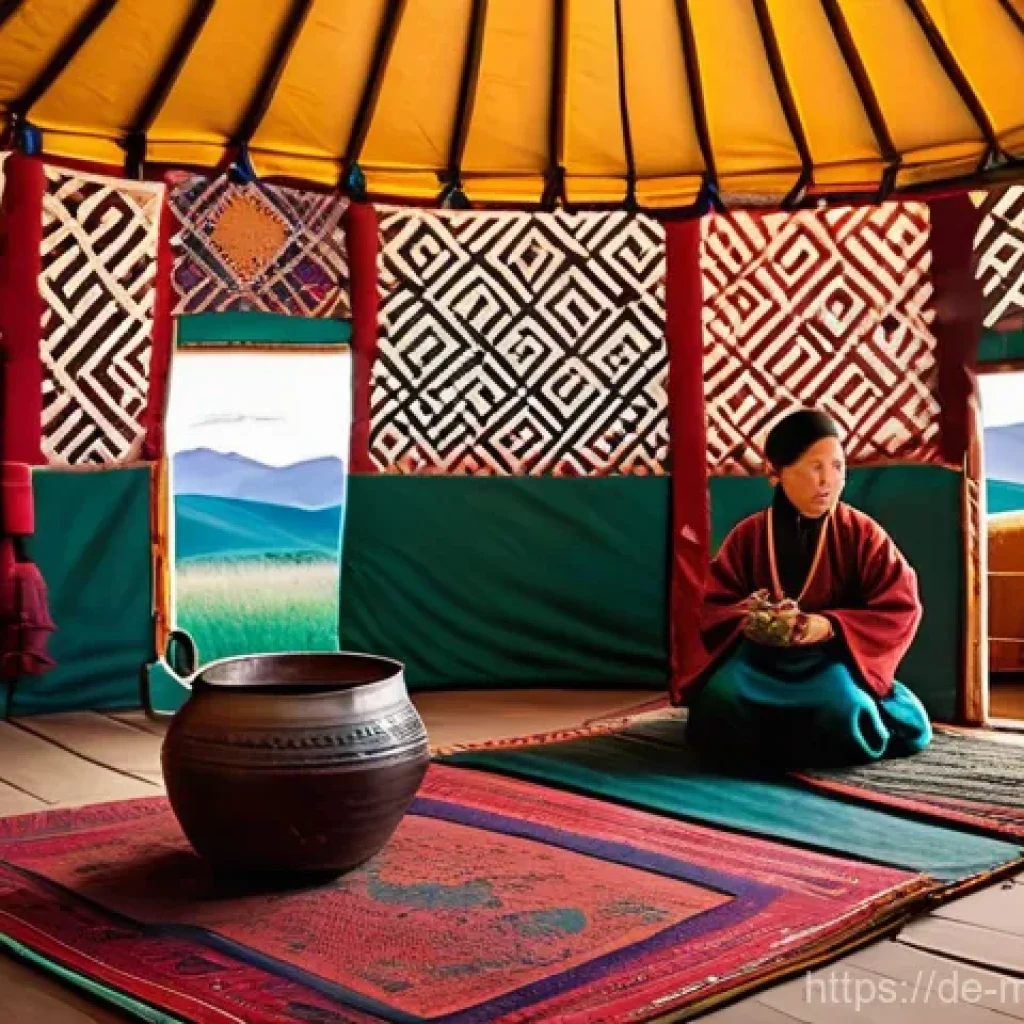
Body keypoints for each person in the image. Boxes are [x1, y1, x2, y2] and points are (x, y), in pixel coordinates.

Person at [683, 408, 932, 771]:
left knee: (842, 709)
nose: (828, 481)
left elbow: (900, 607)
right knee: (720, 700)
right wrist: (752, 619)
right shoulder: (749, 535)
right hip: (760, 662)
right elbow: (715, 604)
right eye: (816, 467)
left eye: (838, 467)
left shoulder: (862, 534)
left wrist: (829, 625)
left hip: (831, 661)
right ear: (775, 473)